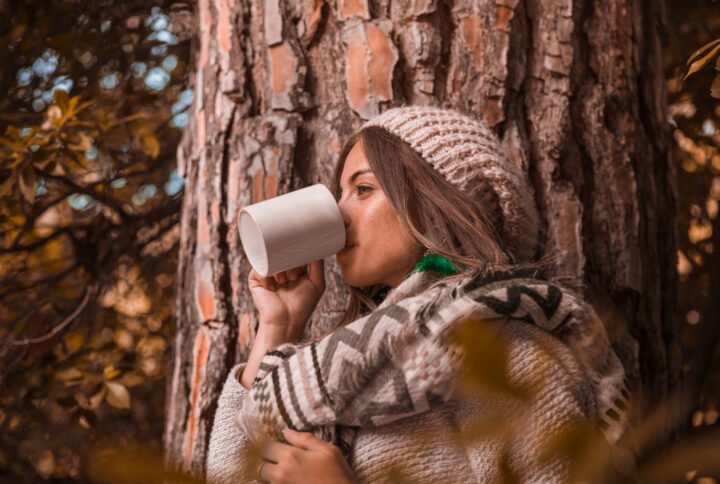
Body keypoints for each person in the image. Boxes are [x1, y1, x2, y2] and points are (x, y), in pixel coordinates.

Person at [206, 106, 631, 483]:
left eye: (363, 189)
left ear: (435, 205)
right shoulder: (341, 367)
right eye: (340, 193)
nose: (337, 212)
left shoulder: (505, 350)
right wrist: (278, 324)